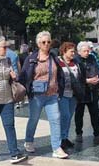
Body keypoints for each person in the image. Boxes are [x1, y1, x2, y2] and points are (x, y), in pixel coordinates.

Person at [19, 31, 68, 159]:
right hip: (36, 95)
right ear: (38, 44)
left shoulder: (54, 57)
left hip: (52, 95)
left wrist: (59, 89)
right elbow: (24, 75)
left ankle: (56, 148)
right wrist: (25, 90)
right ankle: (29, 141)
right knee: (34, 119)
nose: (46, 44)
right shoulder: (31, 59)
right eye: (43, 42)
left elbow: (60, 74)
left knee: (55, 119)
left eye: (48, 42)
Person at [74, 41, 99, 145]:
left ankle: (97, 135)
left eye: (88, 50)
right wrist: (86, 81)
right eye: (85, 51)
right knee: (79, 114)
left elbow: (98, 70)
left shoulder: (92, 58)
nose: (87, 52)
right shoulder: (75, 61)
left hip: (93, 92)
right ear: (79, 52)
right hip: (81, 93)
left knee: (95, 114)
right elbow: (74, 77)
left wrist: (98, 79)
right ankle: (79, 134)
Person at [57, 42, 83, 152]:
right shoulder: (58, 62)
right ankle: (61, 139)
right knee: (65, 116)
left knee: (69, 117)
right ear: (64, 51)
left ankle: (65, 137)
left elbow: (80, 76)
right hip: (62, 94)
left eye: (74, 51)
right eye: (71, 51)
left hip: (73, 94)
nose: (73, 53)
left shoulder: (76, 63)